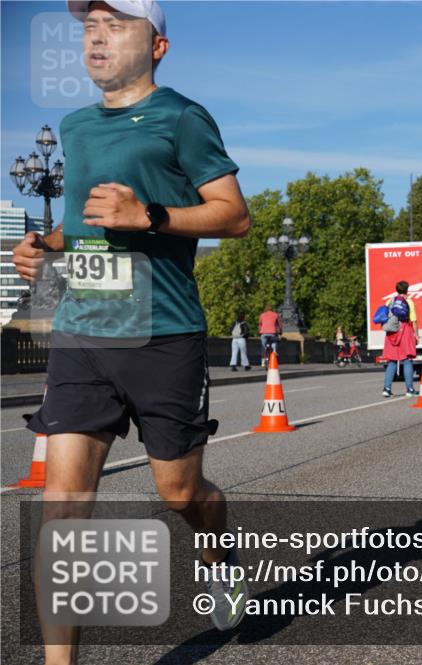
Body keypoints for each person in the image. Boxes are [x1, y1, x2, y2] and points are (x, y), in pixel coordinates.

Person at [11, 2, 253, 656]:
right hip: (84, 330)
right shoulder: (77, 125)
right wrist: (45, 244)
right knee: (62, 508)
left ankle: (218, 549)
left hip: (162, 333)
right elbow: (86, 221)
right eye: (89, 24)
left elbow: (233, 216)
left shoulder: (182, 116)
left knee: (180, 491)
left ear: (158, 46)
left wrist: (148, 214)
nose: (97, 35)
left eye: (116, 23)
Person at [381, 281, 419, 397]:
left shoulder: (389, 301)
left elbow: (385, 316)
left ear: (397, 289)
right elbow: (413, 320)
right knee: (407, 360)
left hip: (392, 332)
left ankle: (386, 389)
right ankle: (410, 389)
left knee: (392, 361)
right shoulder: (409, 302)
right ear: (407, 290)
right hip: (405, 331)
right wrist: (416, 335)